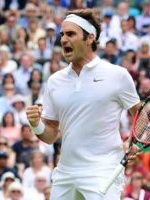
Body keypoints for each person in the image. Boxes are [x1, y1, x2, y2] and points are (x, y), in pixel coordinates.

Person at [26, 9, 141, 200]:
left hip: (103, 170)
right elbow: (50, 135)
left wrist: (134, 141)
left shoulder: (117, 75)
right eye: (62, 34)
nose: (63, 40)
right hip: (66, 172)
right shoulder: (55, 81)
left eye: (71, 34)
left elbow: (141, 114)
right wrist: (36, 124)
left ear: (89, 38)